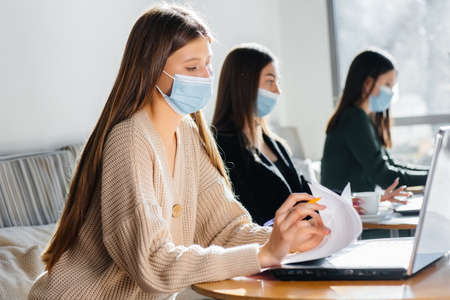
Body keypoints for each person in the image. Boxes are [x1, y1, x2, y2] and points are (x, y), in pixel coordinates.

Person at [28, 5, 330, 300]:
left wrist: (284, 240)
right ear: (152, 69)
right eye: (191, 67)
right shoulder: (129, 139)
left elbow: (224, 229)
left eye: (208, 64)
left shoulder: (186, 134)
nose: (206, 76)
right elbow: (152, 263)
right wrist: (263, 254)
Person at [321, 49, 429, 196]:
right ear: (368, 83)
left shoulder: (363, 118)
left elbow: (390, 164)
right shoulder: (353, 119)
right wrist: (434, 177)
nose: (391, 92)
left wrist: (433, 173)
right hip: (346, 211)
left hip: (357, 207)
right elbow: (384, 176)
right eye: (387, 84)